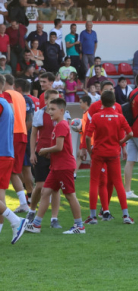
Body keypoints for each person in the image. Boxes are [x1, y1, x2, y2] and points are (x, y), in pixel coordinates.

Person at [26, 97, 85, 235]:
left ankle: (79, 226)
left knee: (70, 196)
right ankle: (36, 225)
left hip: (64, 167)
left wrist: (45, 150)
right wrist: (49, 154)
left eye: (52, 109)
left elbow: (58, 147)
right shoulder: (58, 125)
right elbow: (61, 147)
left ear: (62, 110)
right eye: (48, 109)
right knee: (45, 192)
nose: (49, 112)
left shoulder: (61, 125)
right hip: (56, 166)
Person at [85, 90, 134, 225]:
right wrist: (120, 142)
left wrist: (90, 151)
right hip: (113, 153)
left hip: (99, 153)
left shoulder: (96, 116)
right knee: (118, 182)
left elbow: (88, 137)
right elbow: (130, 133)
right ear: (114, 102)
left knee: (94, 182)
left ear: (101, 101)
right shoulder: (119, 116)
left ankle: (93, 216)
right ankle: (125, 215)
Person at [0, 86, 27, 244]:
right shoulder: (5, 102)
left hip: (1, 153)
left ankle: (16, 220)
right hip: (6, 153)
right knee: (0, 194)